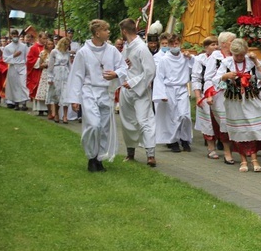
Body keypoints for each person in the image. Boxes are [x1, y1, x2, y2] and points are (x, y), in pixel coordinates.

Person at [65, 19, 126, 172]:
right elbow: (77, 75)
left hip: (105, 92)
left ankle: (99, 158)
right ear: (97, 33)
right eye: (106, 30)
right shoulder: (83, 52)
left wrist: (116, 74)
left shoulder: (112, 50)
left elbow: (123, 67)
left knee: (104, 128)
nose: (109, 32)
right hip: (89, 91)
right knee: (93, 124)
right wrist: (75, 98)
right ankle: (91, 155)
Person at [214, 38, 261, 172]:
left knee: (253, 127)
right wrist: (225, 76)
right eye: (236, 55)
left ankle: (255, 159)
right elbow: (217, 83)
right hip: (234, 100)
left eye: (241, 55)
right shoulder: (226, 63)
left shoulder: (250, 62)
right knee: (239, 130)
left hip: (250, 99)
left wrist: (256, 62)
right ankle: (244, 160)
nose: (239, 57)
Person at [118, 18, 157, 166]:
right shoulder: (127, 47)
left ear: (124, 31)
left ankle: (150, 154)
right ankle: (130, 152)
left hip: (140, 90)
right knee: (128, 121)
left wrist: (133, 82)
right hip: (126, 89)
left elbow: (150, 71)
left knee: (144, 120)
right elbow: (123, 66)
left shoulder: (141, 48)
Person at [192, 36, 232, 161]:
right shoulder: (209, 58)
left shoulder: (232, 57)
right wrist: (200, 95)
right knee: (209, 121)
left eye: (216, 44)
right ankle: (211, 148)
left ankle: (226, 146)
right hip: (211, 92)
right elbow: (201, 77)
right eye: (212, 44)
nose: (214, 46)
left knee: (224, 121)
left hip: (227, 94)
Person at [202, 31, 238, 164]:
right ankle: (227, 152)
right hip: (220, 94)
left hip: (235, 94)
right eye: (231, 41)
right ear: (223, 44)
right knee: (224, 123)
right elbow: (208, 78)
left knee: (235, 122)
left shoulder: (237, 56)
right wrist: (209, 94)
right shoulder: (215, 57)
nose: (234, 43)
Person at [153, 33, 193, 153]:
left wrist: (190, 57)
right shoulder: (164, 60)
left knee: (184, 115)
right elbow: (159, 77)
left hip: (182, 88)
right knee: (172, 117)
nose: (175, 45)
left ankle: (185, 138)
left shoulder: (184, 58)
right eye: (172, 44)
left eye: (176, 43)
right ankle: (173, 141)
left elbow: (194, 68)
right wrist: (161, 94)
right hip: (169, 89)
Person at [3, 29, 30, 110]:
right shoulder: (7, 47)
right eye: (13, 36)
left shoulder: (23, 46)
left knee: (22, 84)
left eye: (16, 35)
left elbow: (27, 56)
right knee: (15, 85)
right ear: (11, 36)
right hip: (13, 66)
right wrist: (13, 56)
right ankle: (16, 103)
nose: (15, 37)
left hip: (22, 66)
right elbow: (5, 59)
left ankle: (24, 102)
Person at [47, 37, 71, 123]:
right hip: (57, 74)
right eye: (66, 45)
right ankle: (56, 113)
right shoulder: (54, 52)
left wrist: (71, 76)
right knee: (56, 94)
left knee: (65, 94)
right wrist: (50, 77)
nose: (67, 47)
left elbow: (69, 65)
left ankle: (65, 115)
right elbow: (50, 66)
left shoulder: (67, 53)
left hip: (65, 74)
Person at [33, 38, 55, 119]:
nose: (50, 46)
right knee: (44, 90)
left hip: (53, 73)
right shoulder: (43, 53)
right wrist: (45, 65)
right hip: (45, 73)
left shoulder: (55, 53)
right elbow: (40, 65)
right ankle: (43, 108)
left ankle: (52, 110)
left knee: (52, 91)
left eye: (51, 44)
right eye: (48, 44)